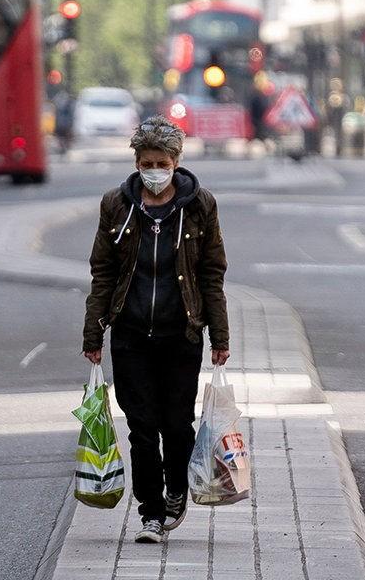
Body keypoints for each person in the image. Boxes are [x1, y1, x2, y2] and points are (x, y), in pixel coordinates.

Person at [81, 116, 230, 545]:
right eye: (146, 162)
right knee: (142, 428)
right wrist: (94, 334)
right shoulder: (117, 205)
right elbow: (103, 273)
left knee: (177, 425)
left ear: (176, 161)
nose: (154, 170)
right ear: (136, 161)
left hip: (180, 336)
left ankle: (176, 491)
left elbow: (211, 273)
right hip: (129, 337)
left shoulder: (200, 205)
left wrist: (219, 337)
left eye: (162, 162)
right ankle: (149, 513)